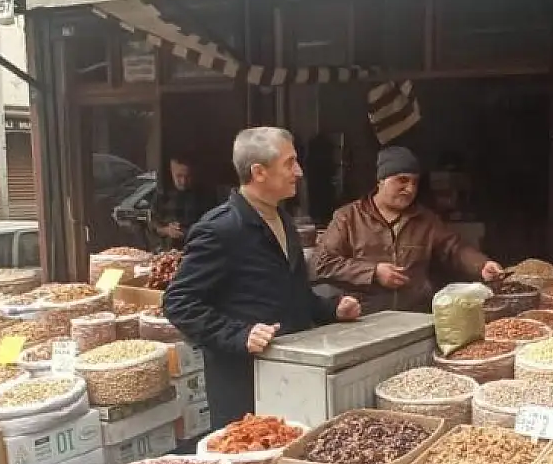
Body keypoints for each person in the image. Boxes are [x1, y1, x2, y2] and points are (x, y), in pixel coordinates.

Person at [164, 127, 362, 429]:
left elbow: (292, 295)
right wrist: (239, 335)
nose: (298, 171)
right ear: (259, 172)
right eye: (289, 163)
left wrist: (331, 308)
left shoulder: (282, 219)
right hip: (244, 388)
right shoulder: (220, 229)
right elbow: (179, 303)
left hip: (291, 377)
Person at [312, 146, 504, 313]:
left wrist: (482, 265)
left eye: (414, 182)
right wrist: (373, 272)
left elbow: (454, 248)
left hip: (415, 317)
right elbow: (322, 263)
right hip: (364, 319)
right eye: (402, 180)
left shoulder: (425, 219)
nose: (410, 189)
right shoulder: (348, 217)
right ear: (381, 180)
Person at [150, 155, 215, 250]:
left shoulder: (205, 197)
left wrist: (188, 232)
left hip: (196, 252)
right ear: (172, 171)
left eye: (188, 176)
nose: (184, 181)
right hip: (166, 254)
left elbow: (212, 228)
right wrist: (167, 230)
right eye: (179, 176)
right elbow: (153, 226)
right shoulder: (162, 195)